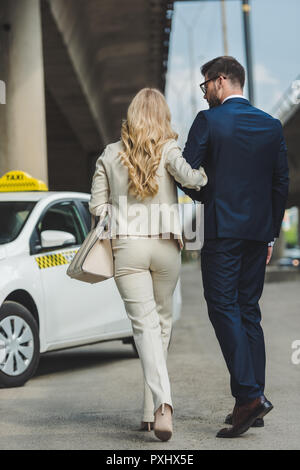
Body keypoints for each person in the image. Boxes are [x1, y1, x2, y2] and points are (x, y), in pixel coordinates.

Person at [176, 56, 289, 438]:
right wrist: (270, 233)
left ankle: (249, 397)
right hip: (259, 232)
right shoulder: (271, 126)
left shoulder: (209, 120)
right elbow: (280, 184)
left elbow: (187, 173)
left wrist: (210, 194)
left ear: (221, 80)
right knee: (248, 311)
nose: (204, 91)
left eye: (205, 84)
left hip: (222, 230)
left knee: (223, 307)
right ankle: (253, 403)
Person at [89, 88, 207, 442]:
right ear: (162, 117)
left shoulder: (110, 154)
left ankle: (159, 407)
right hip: (166, 246)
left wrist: (120, 216)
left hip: (128, 248)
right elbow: (192, 179)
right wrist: (206, 175)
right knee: (161, 324)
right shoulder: (169, 150)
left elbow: (98, 206)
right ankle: (154, 410)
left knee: (143, 328)